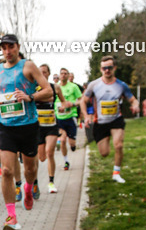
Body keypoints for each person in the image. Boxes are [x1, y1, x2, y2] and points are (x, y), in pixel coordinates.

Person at [0, 34, 51, 230]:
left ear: (17, 47)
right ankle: (11, 216)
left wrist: (29, 96)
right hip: (5, 126)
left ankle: (28, 187)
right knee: (7, 171)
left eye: (11, 47)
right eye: (4, 48)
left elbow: (48, 90)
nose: (7, 51)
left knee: (30, 170)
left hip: (28, 125)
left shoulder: (28, 66)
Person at [80, 55, 139, 183]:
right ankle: (107, 140)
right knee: (104, 153)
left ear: (114, 68)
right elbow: (83, 101)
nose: (107, 70)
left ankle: (116, 173)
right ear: (101, 69)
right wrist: (86, 116)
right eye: (104, 68)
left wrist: (135, 105)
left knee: (118, 145)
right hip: (100, 123)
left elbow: (133, 99)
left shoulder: (121, 85)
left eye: (109, 68)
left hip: (116, 120)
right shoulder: (94, 85)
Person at [36, 64, 65, 194]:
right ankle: (35, 182)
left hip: (51, 125)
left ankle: (51, 182)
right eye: (40, 72)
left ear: (48, 74)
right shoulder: (33, 88)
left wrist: (62, 106)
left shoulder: (55, 87)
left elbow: (63, 102)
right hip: (37, 127)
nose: (42, 74)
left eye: (45, 72)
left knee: (50, 152)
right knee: (41, 157)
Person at [55, 67, 82, 170]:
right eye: (62, 73)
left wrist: (73, 104)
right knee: (62, 140)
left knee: (72, 143)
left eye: (65, 73)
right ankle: (66, 161)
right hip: (59, 117)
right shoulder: (56, 88)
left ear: (68, 75)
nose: (63, 75)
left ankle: (73, 145)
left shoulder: (74, 87)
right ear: (59, 75)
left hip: (71, 117)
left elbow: (81, 100)